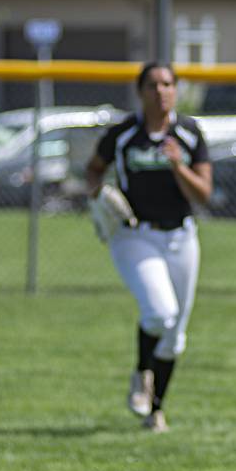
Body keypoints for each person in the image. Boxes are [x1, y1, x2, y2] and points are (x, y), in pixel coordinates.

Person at [85, 62, 212, 433]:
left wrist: (178, 166)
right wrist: (96, 192)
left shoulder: (188, 133)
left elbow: (203, 193)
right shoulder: (125, 134)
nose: (161, 92)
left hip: (181, 236)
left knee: (175, 335)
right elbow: (93, 169)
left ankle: (155, 410)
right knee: (159, 313)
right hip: (135, 235)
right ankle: (143, 372)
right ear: (140, 92)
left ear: (176, 90)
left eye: (168, 84)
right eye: (153, 85)